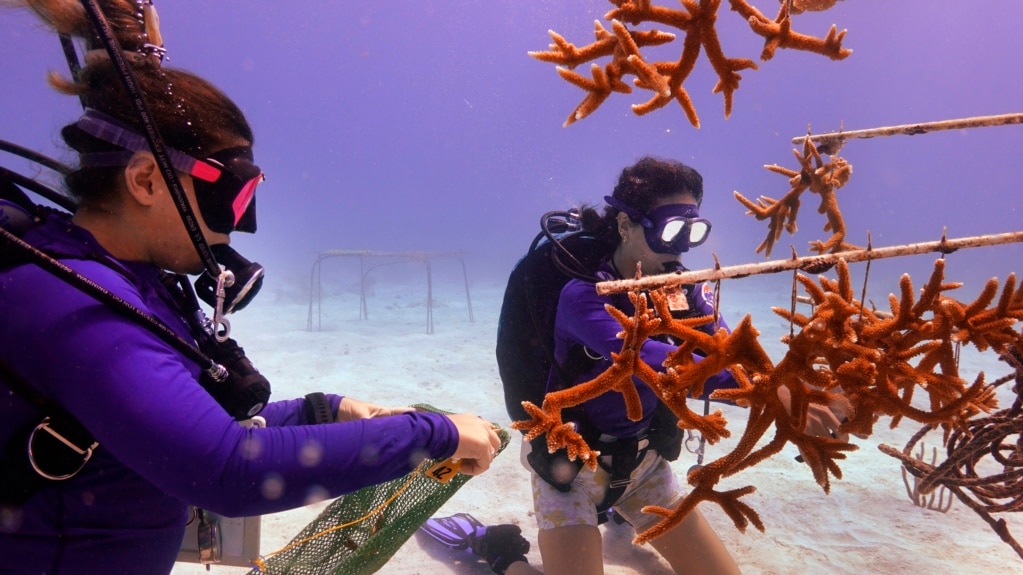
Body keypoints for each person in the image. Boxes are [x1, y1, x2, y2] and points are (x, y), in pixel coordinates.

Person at [0, 1, 500, 573]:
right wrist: (432, 433)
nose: (241, 224)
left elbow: (194, 423)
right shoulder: (81, 308)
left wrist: (324, 411)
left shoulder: (131, 286)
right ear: (144, 181)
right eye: (232, 195)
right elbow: (229, 471)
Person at [524, 156, 848, 575]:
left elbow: (728, 350)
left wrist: (796, 383)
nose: (680, 248)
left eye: (692, 232)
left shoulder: (686, 289)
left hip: (643, 466)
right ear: (625, 224)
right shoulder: (583, 296)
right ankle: (503, 556)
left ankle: (621, 534)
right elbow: (653, 363)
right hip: (569, 467)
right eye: (670, 230)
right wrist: (772, 394)